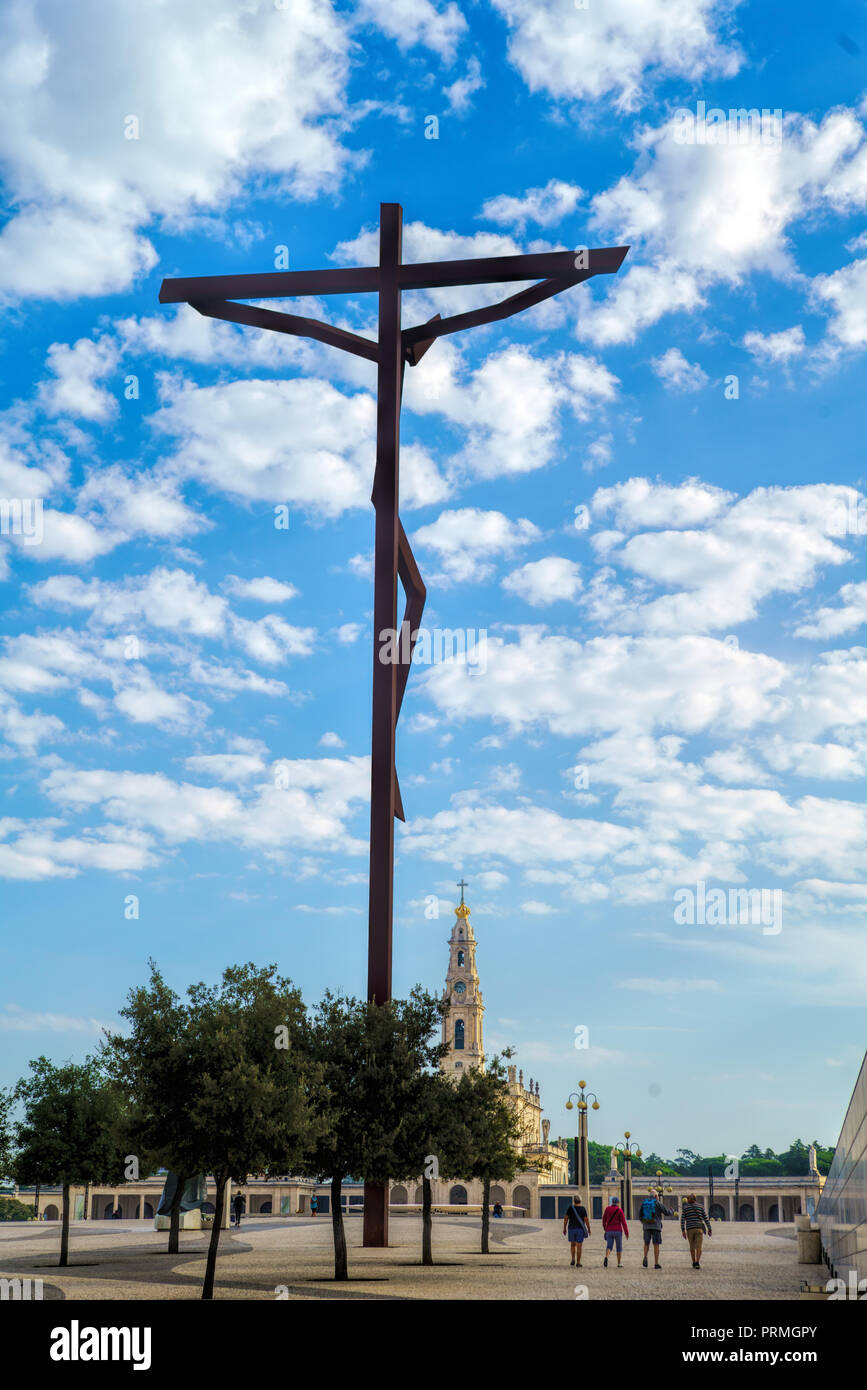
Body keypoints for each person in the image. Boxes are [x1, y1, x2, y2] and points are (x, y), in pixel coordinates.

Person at [639, 1189, 674, 1268]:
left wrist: (644, 1222)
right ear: (656, 1196)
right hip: (656, 1226)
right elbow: (666, 1212)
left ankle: (645, 1256)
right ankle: (656, 1263)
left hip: (646, 1226)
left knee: (646, 1243)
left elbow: (640, 1215)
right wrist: (672, 1211)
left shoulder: (644, 1203)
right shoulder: (658, 1203)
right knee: (656, 1244)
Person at [681, 1193, 712, 1269]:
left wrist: (683, 1230)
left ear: (689, 1200)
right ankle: (697, 1262)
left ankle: (694, 1262)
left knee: (692, 1246)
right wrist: (709, 1228)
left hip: (690, 1229)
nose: (687, 1200)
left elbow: (682, 1220)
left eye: (688, 1199)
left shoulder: (685, 1208)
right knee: (699, 1246)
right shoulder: (700, 1207)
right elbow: (705, 1218)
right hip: (699, 1228)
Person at [601, 1195, 629, 1267]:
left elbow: (603, 1220)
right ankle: (619, 1263)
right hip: (618, 1231)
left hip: (609, 1231)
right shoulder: (620, 1210)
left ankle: (606, 1257)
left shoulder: (607, 1209)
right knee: (619, 1247)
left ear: (612, 1202)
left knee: (609, 1246)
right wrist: (626, 1233)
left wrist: (605, 1228)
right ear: (618, 1203)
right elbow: (623, 1223)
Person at [562, 1197, 591, 1267]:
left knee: (572, 1245)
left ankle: (572, 1259)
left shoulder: (570, 1208)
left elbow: (566, 1218)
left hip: (571, 1228)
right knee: (579, 1246)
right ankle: (578, 1262)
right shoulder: (583, 1209)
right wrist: (589, 1229)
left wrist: (564, 1228)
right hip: (580, 1229)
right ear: (580, 1201)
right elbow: (586, 1219)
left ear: (574, 1201)